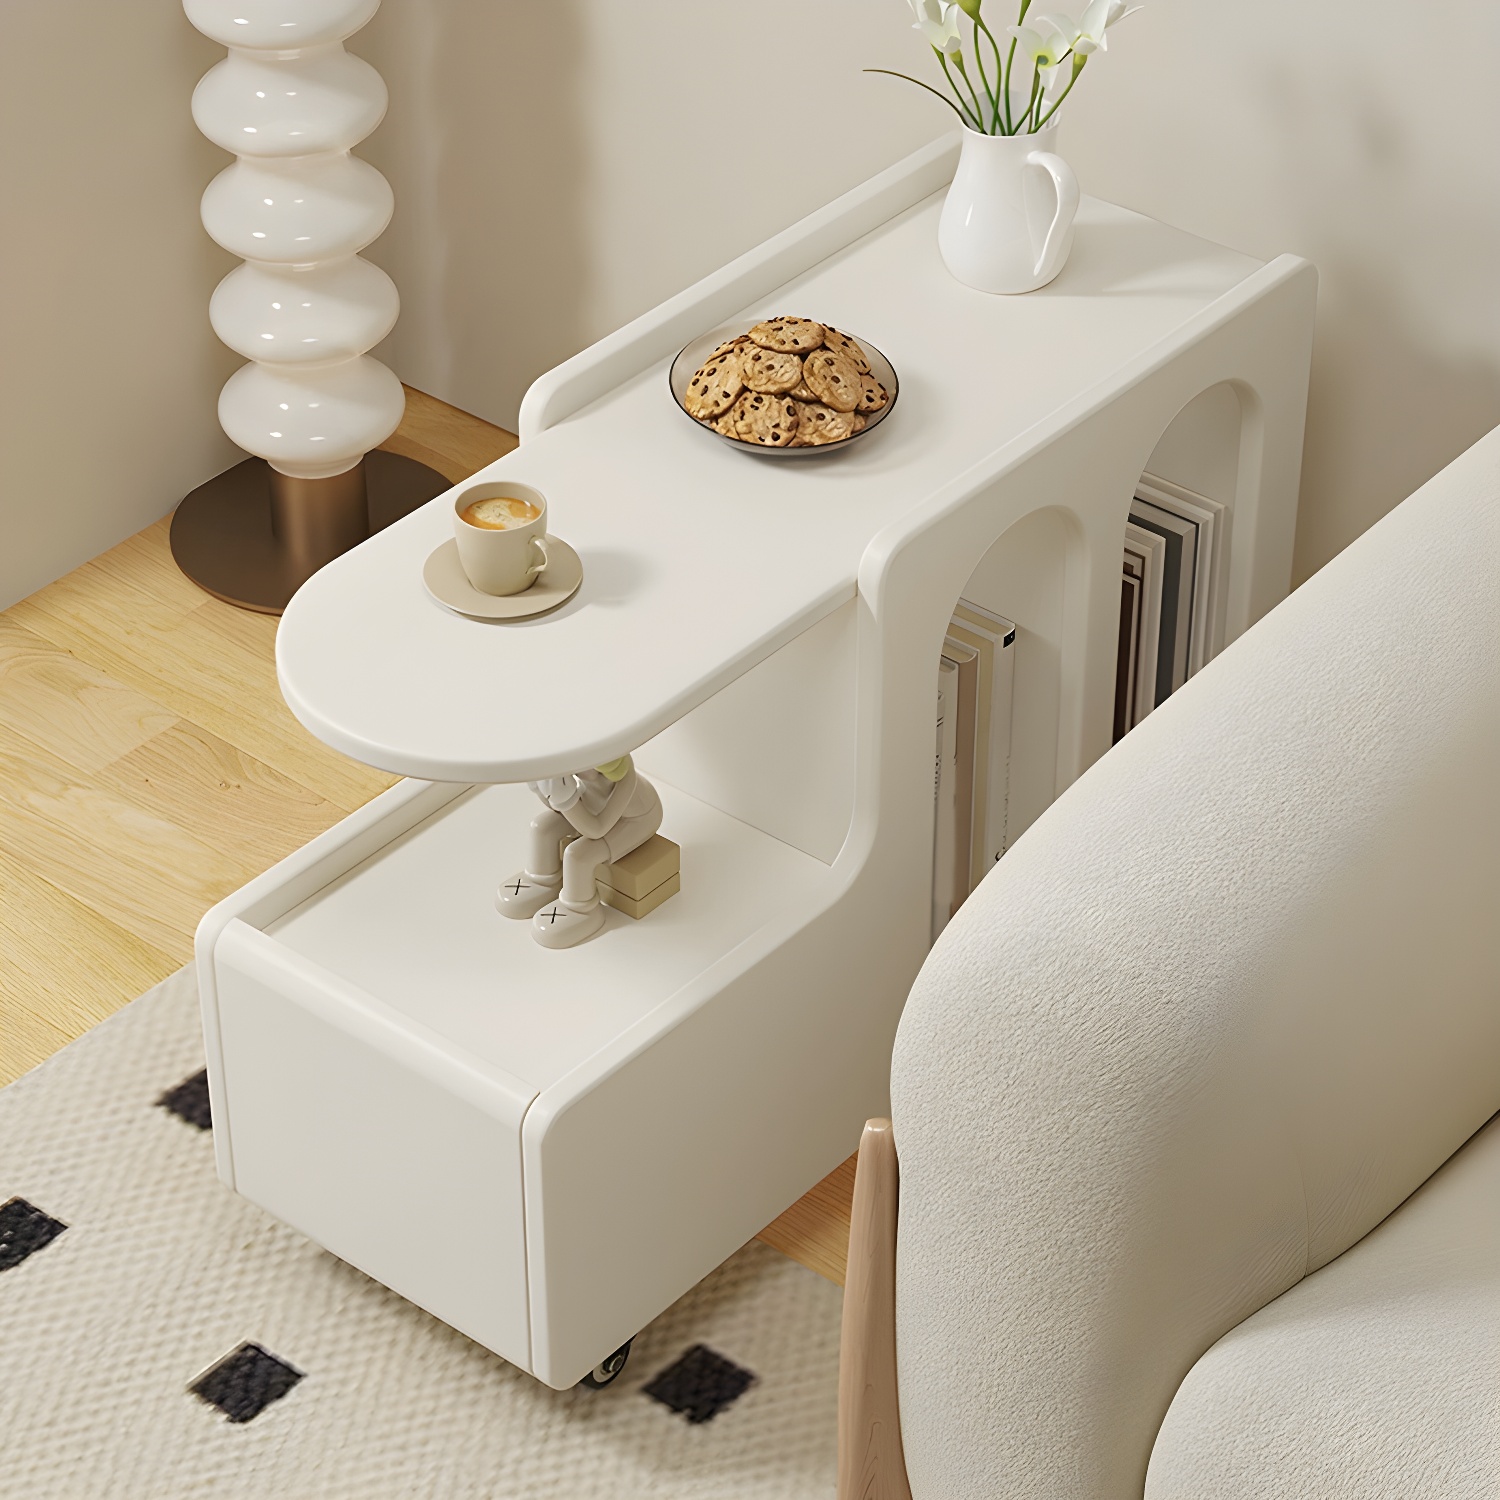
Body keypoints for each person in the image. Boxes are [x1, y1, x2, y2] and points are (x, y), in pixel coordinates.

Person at [496, 754, 663, 948]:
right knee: (541, 828)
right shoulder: (587, 773)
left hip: (638, 820)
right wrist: (539, 787)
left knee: (578, 856)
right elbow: (561, 809)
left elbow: (595, 830)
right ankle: (542, 879)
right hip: (597, 807)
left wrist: (564, 799)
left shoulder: (625, 778)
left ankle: (582, 910)